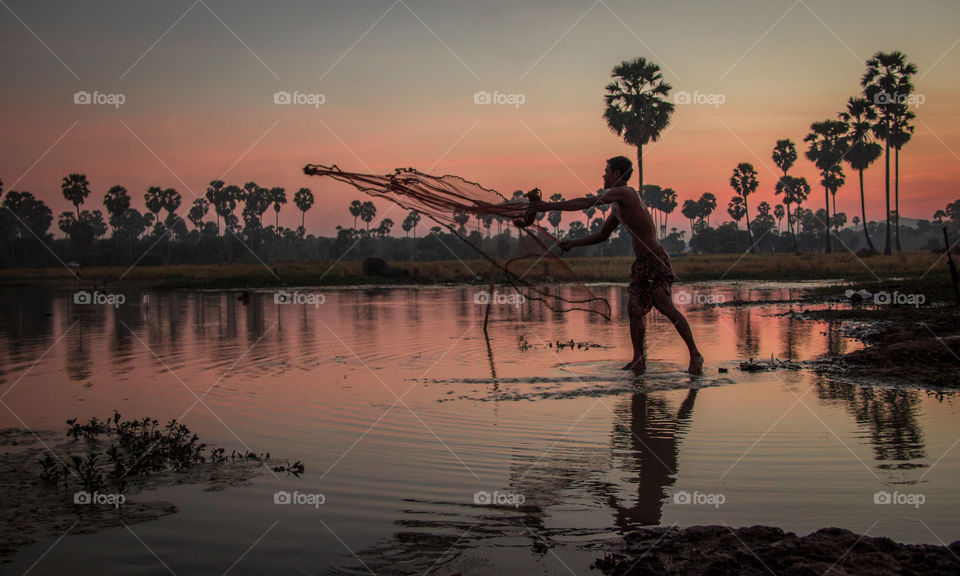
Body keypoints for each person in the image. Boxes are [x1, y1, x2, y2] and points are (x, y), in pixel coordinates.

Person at [525, 156, 704, 374]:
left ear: (617, 174)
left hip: (654, 259)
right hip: (641, 262)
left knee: (664, 305)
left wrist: (547, 206)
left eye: (606, 171)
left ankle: (695, 354)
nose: (603, 175)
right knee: (634, 310)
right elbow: (602, 235)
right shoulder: (618, 208)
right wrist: (573, 243)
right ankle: (639, 360)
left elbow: (586, 202)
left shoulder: (626, 193)